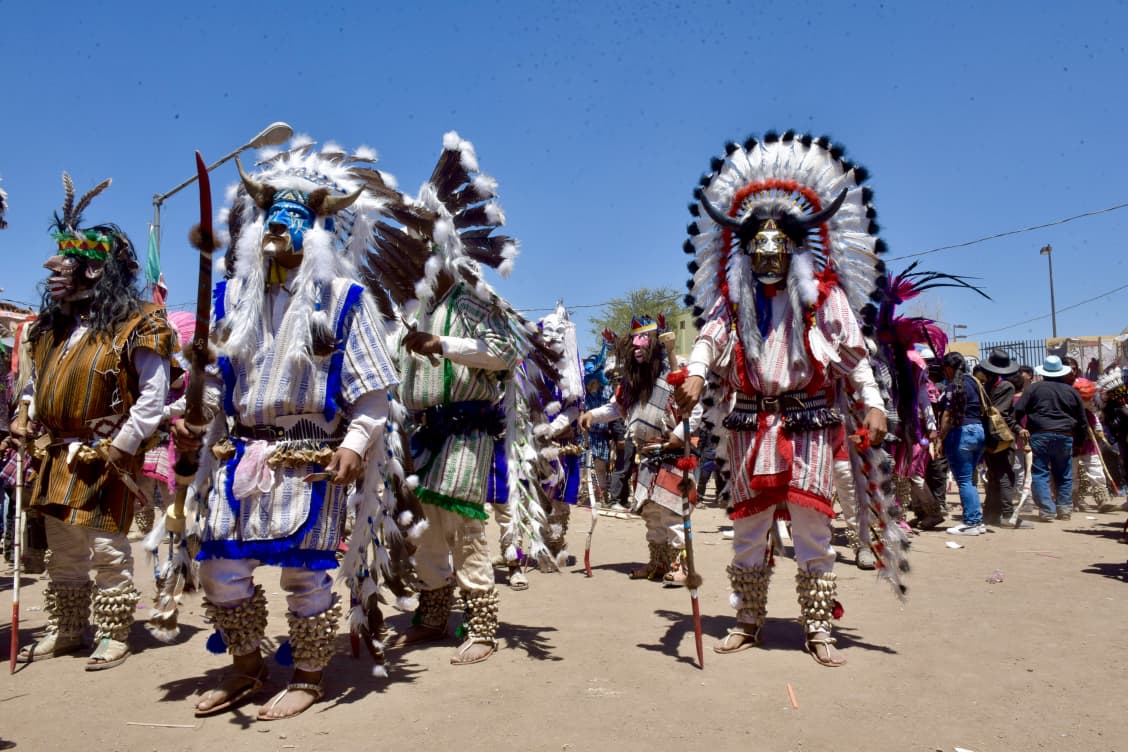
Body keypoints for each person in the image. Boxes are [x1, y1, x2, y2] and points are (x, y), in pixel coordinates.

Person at [177, 142, 401, 719]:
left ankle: (308, 675)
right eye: (271, 215)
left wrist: (355, 444)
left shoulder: (345, 301)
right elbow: (212, 382)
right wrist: (193, 411)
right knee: (219, 567)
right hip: (241, 453)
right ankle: (246, 665)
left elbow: (373, 392)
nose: (278, 225)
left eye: (294, 216)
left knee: (306, 576)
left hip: (314, 456)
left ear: (318, 232)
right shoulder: (229, 298)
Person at [674, 132, 902, 667]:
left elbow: (852, 355)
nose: (768, 259)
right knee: (748, 529)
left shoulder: (824, 297)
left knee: (813, 530)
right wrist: (697, 372)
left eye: (778, 250)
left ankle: (818, 627)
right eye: (759, 251)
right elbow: (710, 339)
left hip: (809, 424)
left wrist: (873, 402)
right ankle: (747, 621)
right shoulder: (733, 302)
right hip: (749, 426)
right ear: (747, 253)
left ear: (795, 249)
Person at [15, 173, 174, 670]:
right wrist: (23, 416)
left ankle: (112, 632)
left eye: (70, 261)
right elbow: (32, 383)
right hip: (55, 452)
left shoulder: (139, 322)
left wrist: (123, 445)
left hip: (106, 452)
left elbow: (153, 396)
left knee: (106, 545)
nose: (55, 269)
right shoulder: (50, 329)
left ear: (97, 270)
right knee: (63, 547)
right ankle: (67, 629)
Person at [580, 317, 700, 585]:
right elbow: (616, 408)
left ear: (655, 345)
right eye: (633, 345)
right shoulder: (632, 381)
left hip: (674, 455)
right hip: (646, 456)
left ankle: (681, 566)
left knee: (673, 514)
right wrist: (592, 415)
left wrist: (679, 436)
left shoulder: (676, 371)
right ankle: (658, 562)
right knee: (652, 514)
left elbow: (696, 408)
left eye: (643, 343)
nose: (637, 349)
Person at [1014, 355, 1087, 521]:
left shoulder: (1033, 389)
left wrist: (1019, 428)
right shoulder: (1071, 391)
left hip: (1039, 435)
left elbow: (1017, 411)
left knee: (1040, 473)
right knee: (1064, 473)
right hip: (1065, 436)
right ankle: (1064, 508)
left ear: (1043, 372)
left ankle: (1047, 510)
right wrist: (1079, 443)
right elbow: (1082, 421)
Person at [977, 349, 1032, 529]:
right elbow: (1001, 415)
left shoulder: (985, 386)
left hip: (987, 436)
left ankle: (991, 513)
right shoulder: (1006, 387)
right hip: (999, 437)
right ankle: (1008, 515)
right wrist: (1018, 428)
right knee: (1005, 475)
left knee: (995, 475)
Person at [938, 352, 988, 535]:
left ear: (949, 368)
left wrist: (940, 438)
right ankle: (976, 521)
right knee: (969, 480)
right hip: (979, 432)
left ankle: (972, 522)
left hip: (961, 433)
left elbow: (947, 415)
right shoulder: (975, 383)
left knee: (964, 480)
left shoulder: (954, 386)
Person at [1069, 378, 1110, 513]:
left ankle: (1101, 498)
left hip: (1090, 445)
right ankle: (1073, 500)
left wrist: (1098, 431)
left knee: (1095, 469)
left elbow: (1096, 422)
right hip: (1073, 445)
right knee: (1072, 472)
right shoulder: (1069, 411)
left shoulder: (1090, 412)